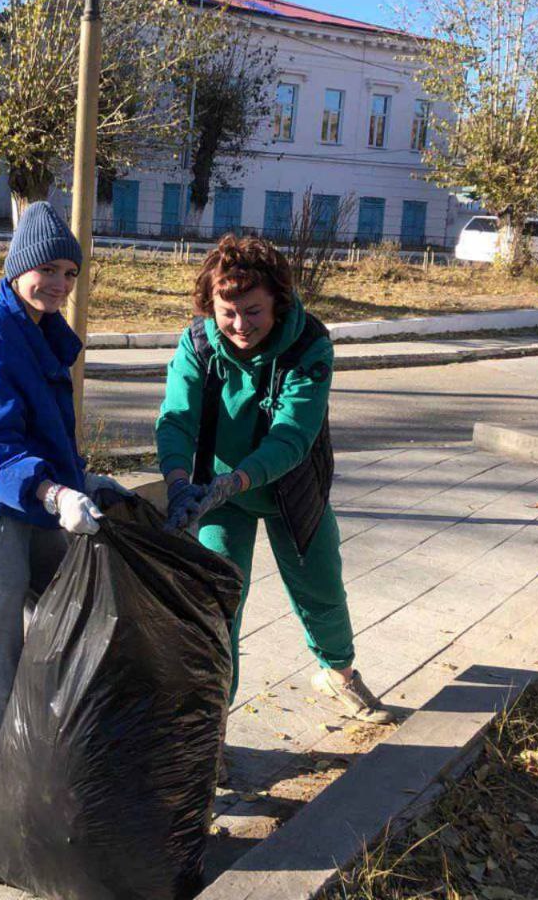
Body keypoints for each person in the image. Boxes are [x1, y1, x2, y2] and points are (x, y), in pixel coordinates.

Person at [0, 200, 128, 831]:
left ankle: (41, 753)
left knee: (64, 626)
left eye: (71, 272)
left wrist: (82, 482)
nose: (61, 284)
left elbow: (39, 435)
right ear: (18, 268)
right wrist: (52, 495)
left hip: (30, 502)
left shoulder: (38, 330)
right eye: (48, 269)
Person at [156, 233, 393, 731]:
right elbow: (176, 418)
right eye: (228, 312)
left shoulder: (309, 344)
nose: (241, 326)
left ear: (278, 303)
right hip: (215, 495)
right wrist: (179, 482)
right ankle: (211, 728)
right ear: (211, 306)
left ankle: (339, 671)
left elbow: (292, 436)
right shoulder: (198, 342)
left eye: (254, 312)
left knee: (320, 585)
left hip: (290, 486)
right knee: (218, 608)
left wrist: (238, 479)